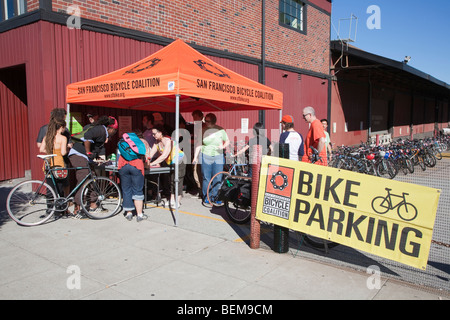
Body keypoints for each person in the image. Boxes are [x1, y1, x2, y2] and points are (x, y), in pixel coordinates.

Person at [68, 115, 118, 216]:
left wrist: (94, 158)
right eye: (115, 131)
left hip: (84, 156)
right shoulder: (101, 129)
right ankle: (77, 209)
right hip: (78, 155)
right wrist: (88, 152)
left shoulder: (101, 131)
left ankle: (93, 205)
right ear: (111, 128)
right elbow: (87, 137)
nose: (114, 133)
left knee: (92, 178)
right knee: (84, 179)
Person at [192, 113, 230, 205]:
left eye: (207, 121)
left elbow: (227, 141)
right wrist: (195, 157)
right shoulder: (203, 130)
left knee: (218, 177)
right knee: (206, 177)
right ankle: (207, 197)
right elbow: (198, 144)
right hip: (205, 155)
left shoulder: (220, 130)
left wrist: (223, 146)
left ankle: (216, 196)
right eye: (205, 121)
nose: (205, 122)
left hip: (218, 156)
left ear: (213, 121)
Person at [148, 124, 186, 209]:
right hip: (170, 162)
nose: (153, 136)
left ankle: (178, 201)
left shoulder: (168, 140)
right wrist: (146, 160)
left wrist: (151, 164)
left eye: (154, 134)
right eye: (152, 134)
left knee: (178, 180)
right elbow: (150, 154)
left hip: (179, 161)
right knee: (171, 180)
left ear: (160, 132)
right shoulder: (157, 143)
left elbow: (164, 155)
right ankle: (171, 200)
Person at [118, 129, 152, 222]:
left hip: (123, 165)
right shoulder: (143, 142)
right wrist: (147, 165)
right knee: (137, 189)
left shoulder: (124, 141)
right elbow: (147, 156)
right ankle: (139, 214)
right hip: (136, 165)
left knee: (126, 189)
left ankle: (129, 213)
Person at [39, 118, 69, 201]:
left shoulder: (47, 137)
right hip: (59, 163)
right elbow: (63, 153)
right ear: (62, 127)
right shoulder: (63, 138)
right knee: (59, 186)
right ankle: (59, 209)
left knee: (50, 186)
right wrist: (67, 148)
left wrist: (50, 152)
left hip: (48, 162)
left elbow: (41, 149)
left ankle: (50, 208)